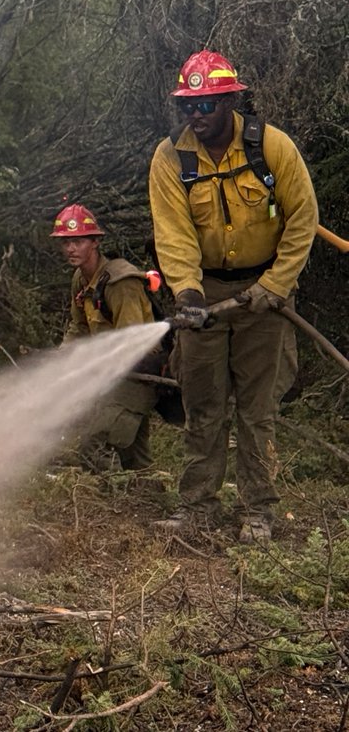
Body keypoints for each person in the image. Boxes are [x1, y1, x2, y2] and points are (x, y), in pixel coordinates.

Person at [148, 49, 317, 544]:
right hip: (205, 291)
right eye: (188, 107)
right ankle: (196, 505)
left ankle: (259, 511)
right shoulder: (170, 158)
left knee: (256, 408)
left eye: (206, 106)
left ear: (229, 101)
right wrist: (188, 293)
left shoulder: (272, 148)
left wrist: (275, 285)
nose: (195, 116)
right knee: (203, 404)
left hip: (267, 292)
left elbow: (302, 221)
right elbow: (172, 234)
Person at [53, 204, 160, 472]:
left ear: (96, 241)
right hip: (116, 372)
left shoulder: (120, 282)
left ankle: (110, 503)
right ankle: (147, 496)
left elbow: (133, 342)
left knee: (95, 442)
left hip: (140, 372)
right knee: (134, 455)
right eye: (65, 242)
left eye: (78, 241)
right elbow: (78, 328)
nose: (71, 249)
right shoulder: (81, 278)